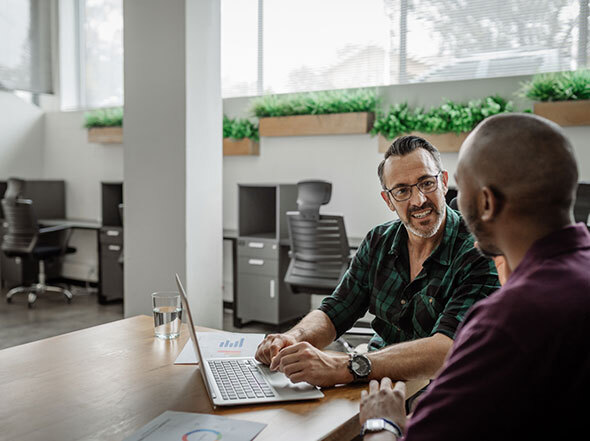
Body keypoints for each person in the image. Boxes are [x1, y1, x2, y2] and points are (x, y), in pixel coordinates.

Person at [359, 113, 590, 440]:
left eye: (459, 190)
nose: (453, 202)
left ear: (485, 202)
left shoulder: (506, 321)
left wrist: (380, 422)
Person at [254, 135, 500, 387]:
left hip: (440, 387)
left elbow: (447, 349)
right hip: (374, 377)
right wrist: (293, 338)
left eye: (426, 183)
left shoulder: (479, 249)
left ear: (444, 182)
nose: (418, 200)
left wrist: (346, 366)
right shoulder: (378, 241)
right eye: (402, 191)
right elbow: (336, 309)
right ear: (388, 200)